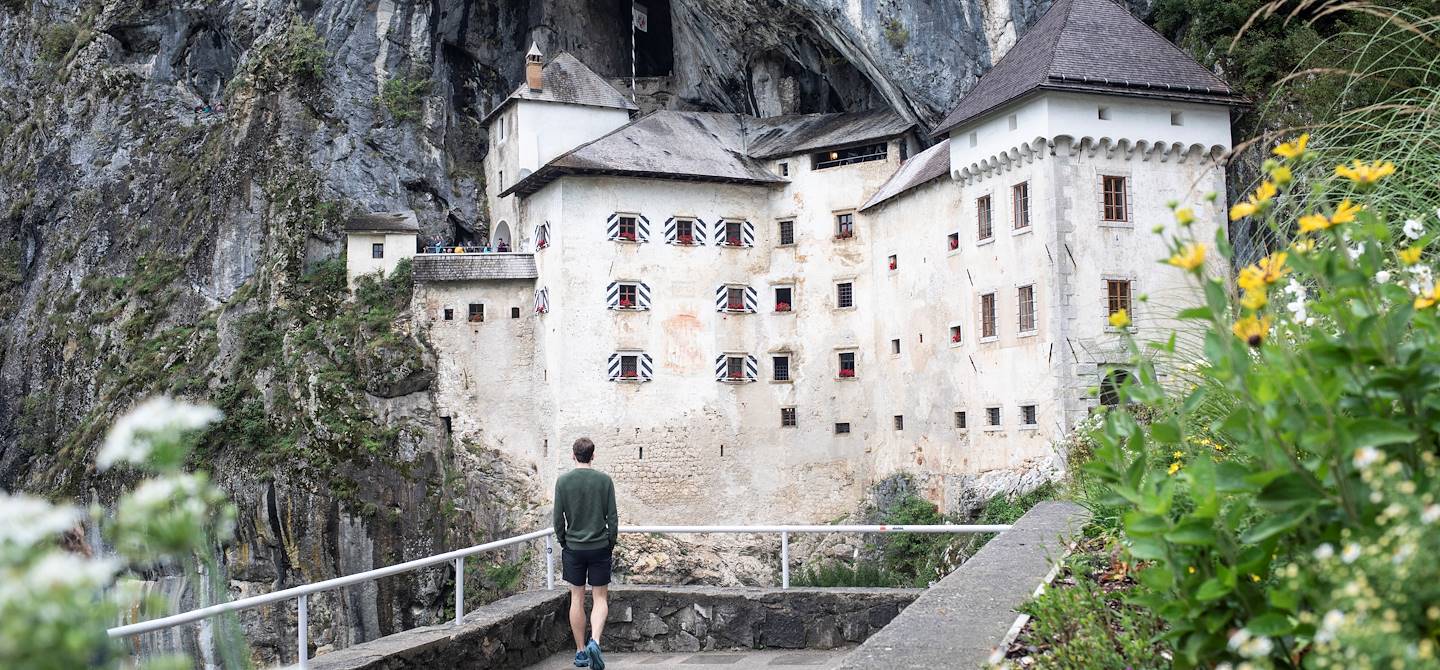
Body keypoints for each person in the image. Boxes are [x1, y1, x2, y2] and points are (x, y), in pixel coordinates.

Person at [552, 437, 618, 669]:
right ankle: (596, 642)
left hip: (574, 548)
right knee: (600, 598)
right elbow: (613, 518)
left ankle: (580, 652)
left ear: (573, 455)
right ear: (593, 455)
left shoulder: (563, 482)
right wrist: (609, 543)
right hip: (599, 546)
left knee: (576, 598)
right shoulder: (604, 481)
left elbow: (558, 520)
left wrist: (565, 542)